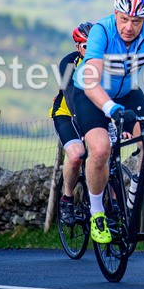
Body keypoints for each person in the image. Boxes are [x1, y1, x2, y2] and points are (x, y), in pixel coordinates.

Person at [71, 0, 144, 244]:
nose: (129, 27)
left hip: (127, 91)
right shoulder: (102, 30)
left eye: (136, 21)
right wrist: (110, 109)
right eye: (124, 19)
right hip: (91, 93)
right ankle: (97, 211)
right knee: (100, 149)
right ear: (115, 15)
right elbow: (91, 82)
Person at [50, 21, 93, 227]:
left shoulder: (106, 62)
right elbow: (69, 95)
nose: (91, 50)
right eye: (86, 46)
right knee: (76, 155)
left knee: (108, 158)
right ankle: (67, 199)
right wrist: (83, 124)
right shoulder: (68, 63)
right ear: (78, 47)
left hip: (94, 113)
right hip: (67, 113)